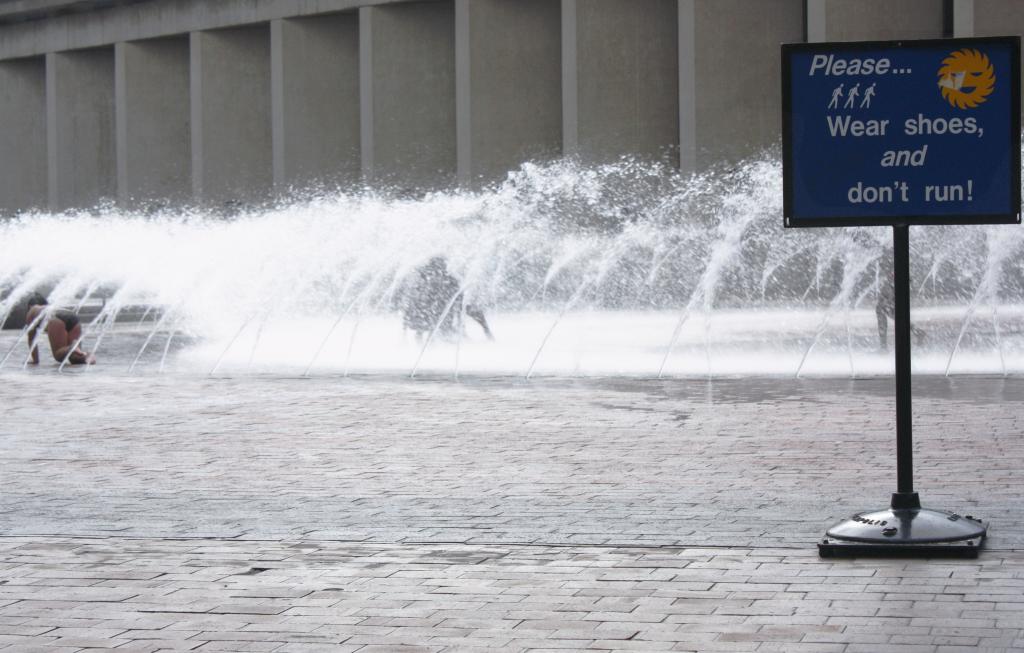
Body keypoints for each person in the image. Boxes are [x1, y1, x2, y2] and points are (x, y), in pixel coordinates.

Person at [399, 257, 493, 341]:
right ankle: (441, 336)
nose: (444, 267)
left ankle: (481, 332)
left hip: (442, 305)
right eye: (441, 265)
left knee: (467, 311)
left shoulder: (446, 278)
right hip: (434, 308)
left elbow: (458, 294)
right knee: (438, 315)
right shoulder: (428, 279)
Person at [24, 293, 95, 365]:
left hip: (56, 318)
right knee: (73, 357)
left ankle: (72, 347)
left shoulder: (32, 310)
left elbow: (31, 339)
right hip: (73, 317)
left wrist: (35, 360)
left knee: (58, 355)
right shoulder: (48, 307)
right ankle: (87, 356)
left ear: (29, 306)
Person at [875, 252, 924, 352]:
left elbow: (902, 275)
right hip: (893, 286)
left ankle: (884, 345)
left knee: (883, 310)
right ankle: (917, 331)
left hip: (894, 286)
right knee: (889, 312)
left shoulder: (890, 255)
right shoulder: (888, 256)